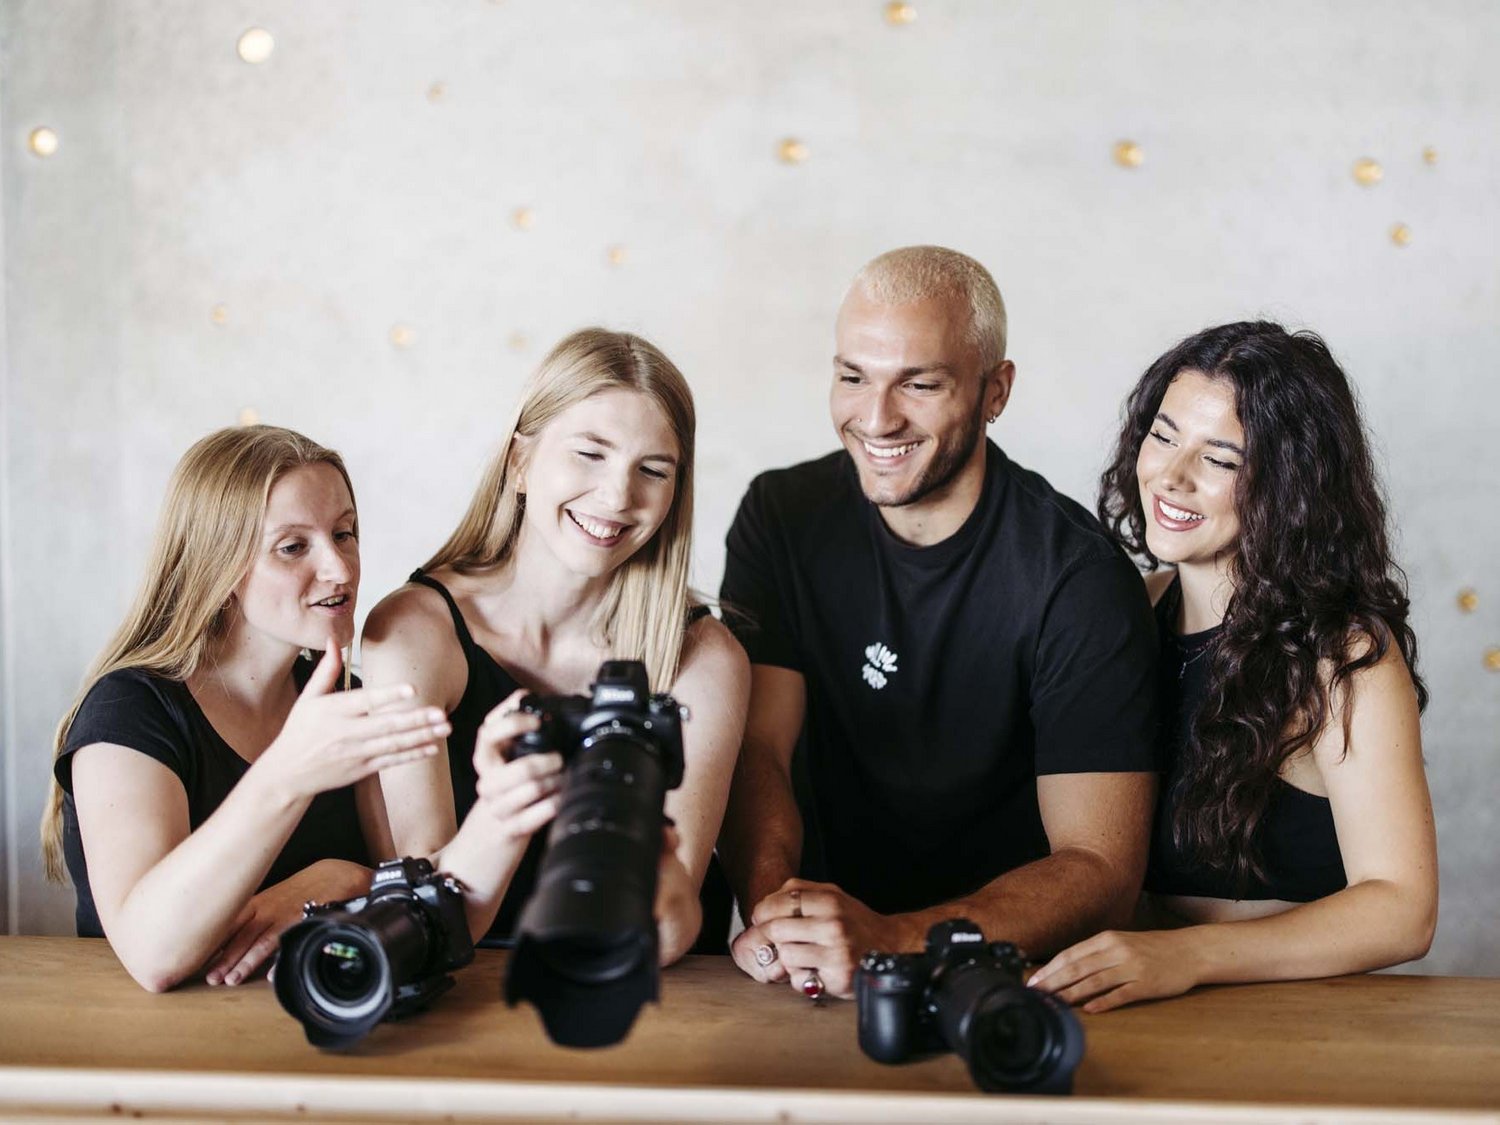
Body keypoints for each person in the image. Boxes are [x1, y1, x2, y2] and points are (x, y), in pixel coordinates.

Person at [717, 246, 1160, 999]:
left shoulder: (1076, 576)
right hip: (816, 978)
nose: (876, 417)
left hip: (1005, 980)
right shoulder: (781, 517)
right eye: (853, 376)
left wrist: (894, 938)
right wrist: (782, 913)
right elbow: (758, 746)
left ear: (996, 391)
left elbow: (1100, 867)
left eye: (919, 384)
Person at [43, 425, 560, 993]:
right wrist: (288, 775)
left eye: (344, 534)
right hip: (140, 1050)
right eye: (293, 547)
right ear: (218, 566)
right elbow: (153, 955)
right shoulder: (129, 709)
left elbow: (427, 906)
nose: (340, 569)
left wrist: (344, 878)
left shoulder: (349, 702)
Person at [1028, 322, 1438, 1011]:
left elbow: (1403, 907)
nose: (1172, 475)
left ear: (1290, 486)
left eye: (1220, 458)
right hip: (1137, 1010)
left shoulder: (1344, 653)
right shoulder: (1126, 611)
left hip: (1300, 1026)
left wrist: (1184, 955)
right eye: (1163, 435)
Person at [362, 328, 749, 962]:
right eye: (590, 454)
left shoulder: (703, 657)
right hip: (461, 993)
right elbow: (416, 903)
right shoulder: (412, 633)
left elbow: (668, 930)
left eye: (653, 470)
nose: (618, 496)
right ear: (520, 462)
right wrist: (507, 806)